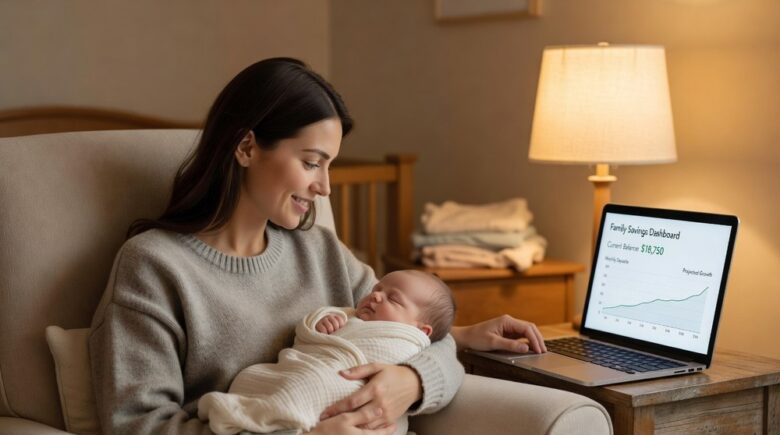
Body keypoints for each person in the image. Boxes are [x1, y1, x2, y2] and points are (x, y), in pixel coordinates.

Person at [89, 57, 547, 435]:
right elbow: (138, 426)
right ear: (246, 147)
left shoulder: (319, 250)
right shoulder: (154, 265)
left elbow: (419, 340)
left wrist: (411, 380)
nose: (325, 188)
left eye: (329, 166)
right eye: (311, 163)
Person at [197, 270, 455, 435]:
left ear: (420, 330)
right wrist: (323, 323)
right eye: (377, 290)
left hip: (344, 385)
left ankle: (265, 414)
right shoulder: (351, 316)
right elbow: (312, 333)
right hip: (314, 368)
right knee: (255, 377)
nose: (375, 296)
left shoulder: (406, 340)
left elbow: (444, 347)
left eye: (393, 299)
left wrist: (413, 380)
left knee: (311, 384)